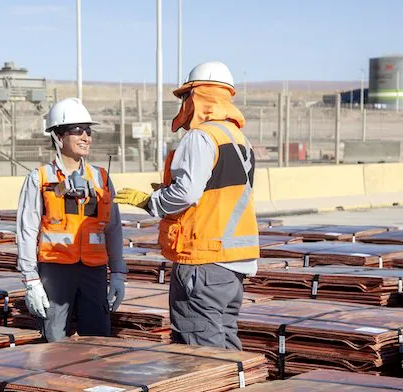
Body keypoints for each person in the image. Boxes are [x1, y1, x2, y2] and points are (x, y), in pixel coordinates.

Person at [114, 61, 258, 351]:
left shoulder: (201, 137)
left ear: (198, 96)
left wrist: (149, 201)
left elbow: (188, 193)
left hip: (203, 261)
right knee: (226, 344)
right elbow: (213, 195)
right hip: (234, 265)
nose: (182, 104)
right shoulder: (240, 140)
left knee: (198, 352)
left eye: (184, 97)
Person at [16, 97, 128, 342]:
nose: (86, 137)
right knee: (54, 340)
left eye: (88, 131)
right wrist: (31, 280)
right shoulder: (40, 178)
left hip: (94, 271)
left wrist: (118, 273)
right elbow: (26, 230)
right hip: (55, 270)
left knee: (98, 340)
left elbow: (113, 229)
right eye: (78, 130)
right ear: (58, 136)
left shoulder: (101, 177)